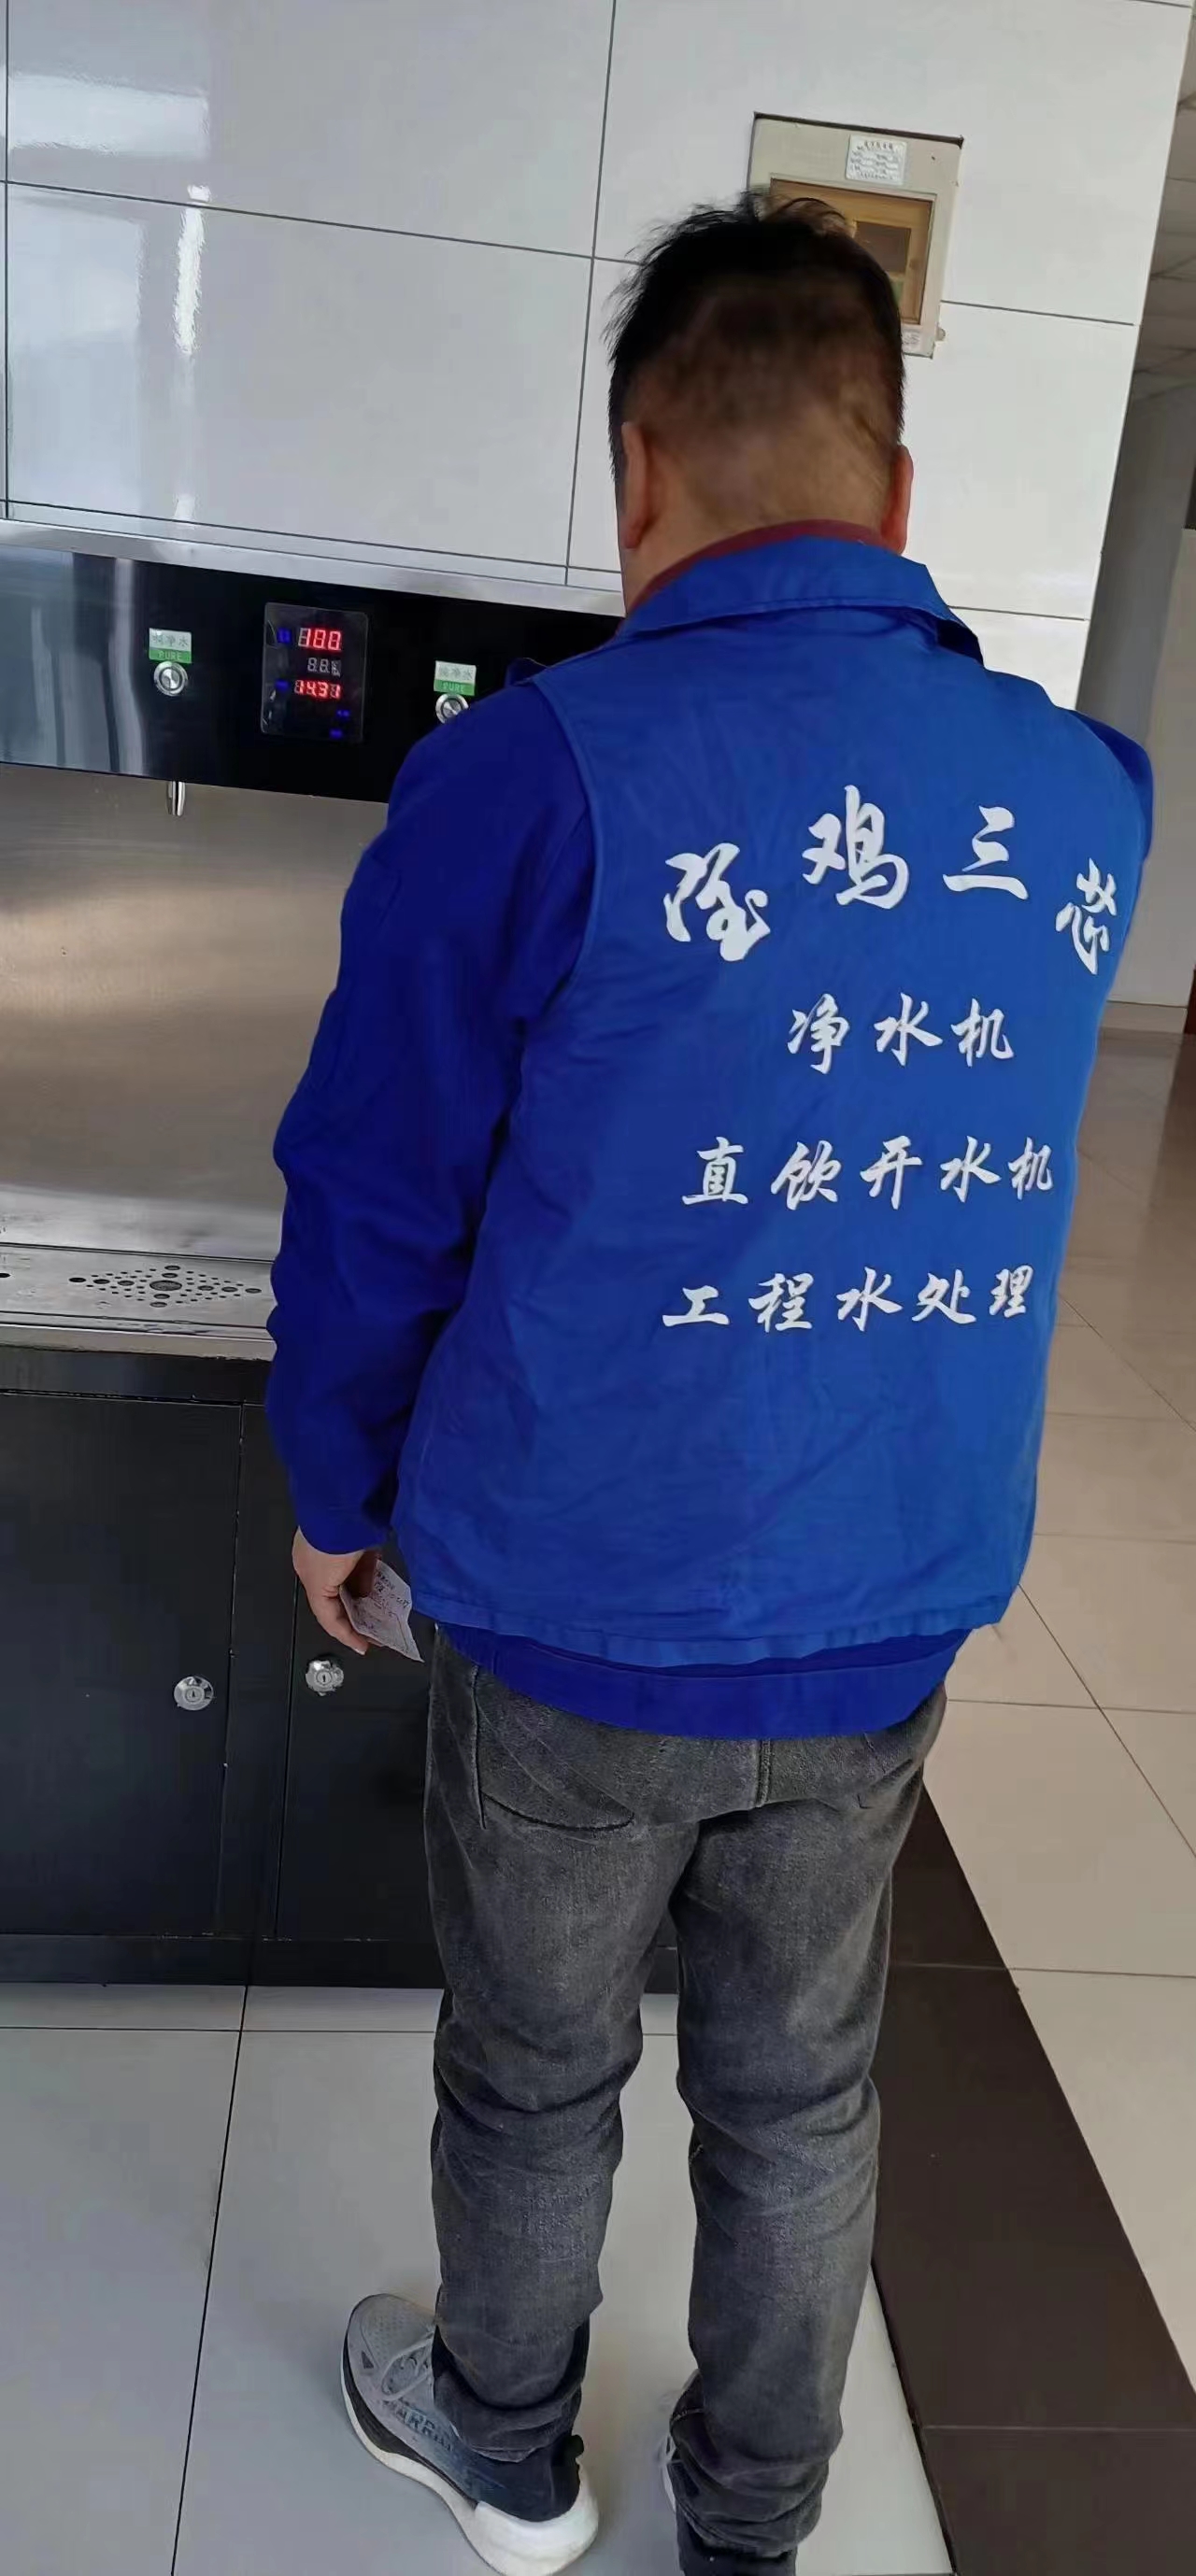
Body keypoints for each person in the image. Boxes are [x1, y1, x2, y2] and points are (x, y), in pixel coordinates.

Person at [267, 197, 1151, 2576]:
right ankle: (751, 2517)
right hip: (884, 1601)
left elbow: (374, 1197)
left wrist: (334, 1486)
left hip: (568, 1605)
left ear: (638, 471)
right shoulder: (1086, 797)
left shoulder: (528, 778)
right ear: (894, 481)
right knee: (802, 2082)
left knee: (538, 2060)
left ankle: (508, 2448)